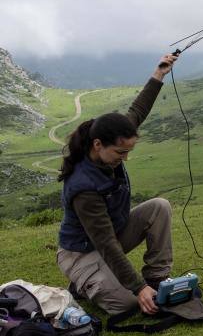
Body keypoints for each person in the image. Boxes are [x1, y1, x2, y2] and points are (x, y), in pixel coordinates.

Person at [56, 53, 179, 315]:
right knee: (128, 305)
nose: (125, 158)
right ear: (97, 145)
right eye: (121, 153)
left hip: (113, 235)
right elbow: (105, 243)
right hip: (82, 252)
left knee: (159, 207)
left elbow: (137, 111)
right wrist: (137, 288)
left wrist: (158, 74)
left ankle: (156, 278)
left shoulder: (113, 139)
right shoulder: (83, 187)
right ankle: (83, 281)